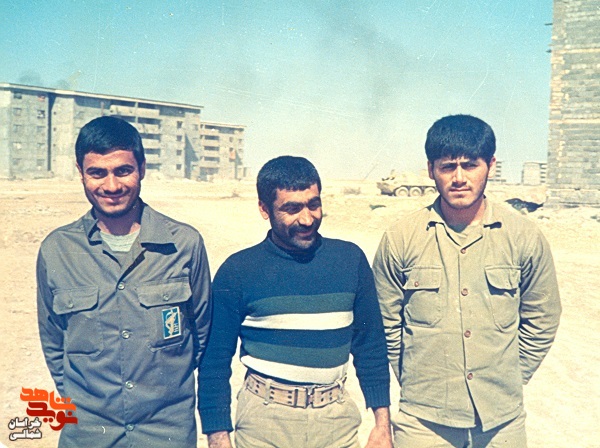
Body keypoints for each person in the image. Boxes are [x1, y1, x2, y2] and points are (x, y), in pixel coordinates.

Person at [373, 114, 561, 447]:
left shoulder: (524, 237)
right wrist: (416, 381)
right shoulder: (401, 238)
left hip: (501, 421)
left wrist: (510, 376)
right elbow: (384, 325)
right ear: (430, 170)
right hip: (423, 421)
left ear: (491, 166)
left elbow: (542, 318)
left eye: (470, 165)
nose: (459, 178)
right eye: (448, 167)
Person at [36, 116, 212, 447]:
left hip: (167, 432)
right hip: (88, 433)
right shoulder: (57, 250)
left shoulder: (184, 244)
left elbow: (200, 335)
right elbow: (54, 342)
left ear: (142, 168)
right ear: (81, 172)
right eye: (97, 173)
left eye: (123, 170)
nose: (112, 186)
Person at [198, 156, 392, 448]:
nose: (307, 219)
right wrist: (218, 438)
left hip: (336, 424)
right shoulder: (238, 270)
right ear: (264, 209)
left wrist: (382, 425)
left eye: (313, 204)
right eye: (291, 209)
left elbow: (371, 348)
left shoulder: (350, 260)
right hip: (265, 424)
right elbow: (214, 362)